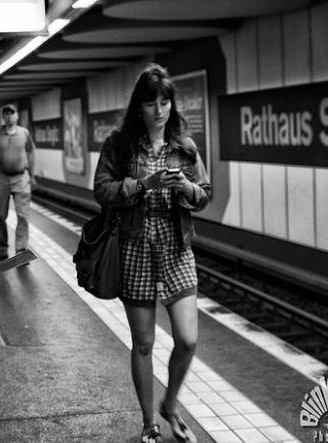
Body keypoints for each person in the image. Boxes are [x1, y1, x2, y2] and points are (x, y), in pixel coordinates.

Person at [93, 64, 211, 443]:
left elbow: (205, 194)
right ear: (138, 107)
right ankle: (149, 422)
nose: (159, 109)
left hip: (176, 248)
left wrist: (187, 188)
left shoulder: (185, 147)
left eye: (165, 101)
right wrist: (143, 183)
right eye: (150, 102)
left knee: (188, 339)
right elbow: (102, 190)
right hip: (135, 247)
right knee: (143, 343)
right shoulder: (119, 144)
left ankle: (171, 404)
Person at [0, 103, 37, 260]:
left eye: (12, 113)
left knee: (23, 215)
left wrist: (32, 175)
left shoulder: (24, 133)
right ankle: (3, 245)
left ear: (17, 115)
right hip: (1, 177)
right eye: (6, 114)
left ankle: (21, 250)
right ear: (3, 117)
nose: (9, 116)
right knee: (0, 215)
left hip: (21, 177)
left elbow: (31, 153)